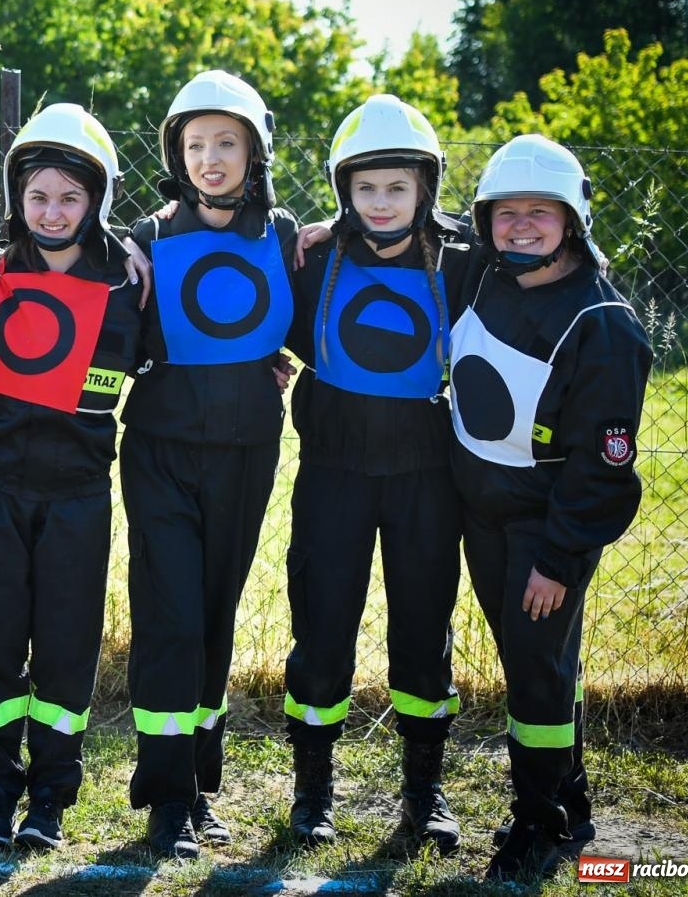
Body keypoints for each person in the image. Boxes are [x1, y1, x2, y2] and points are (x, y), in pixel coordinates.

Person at [448, 135, 650, 882]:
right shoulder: (481, 274)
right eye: (507, 212)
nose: (522, 225)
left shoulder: (603, 324)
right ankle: (568, 803)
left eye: (541, 211)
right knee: (531, 665)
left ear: (573, 219)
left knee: (535, 675)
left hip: (543, 531)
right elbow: (413, 224)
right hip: (482, 516)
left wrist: (559, 559)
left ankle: (535, 827)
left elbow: (604, 465)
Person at [280, 94, 477, 852]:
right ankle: (313, 791)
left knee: (424, 633)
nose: (383, 203)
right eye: (366, 189)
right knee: (322, 629)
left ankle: (424, 796)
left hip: (430, 477)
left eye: (398, 187)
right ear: (343, 191)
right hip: (333, 474)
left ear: (426, 186)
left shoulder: (465, 261)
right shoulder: (316, 259)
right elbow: (266, 323)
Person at [0, 104, 143, 852]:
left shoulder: (131, 279)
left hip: (78, 493)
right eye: (38, 197)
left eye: (70, 197)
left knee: (66, 646)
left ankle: (50, 801)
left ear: (96, 199)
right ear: (15, 200)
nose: (53, 211)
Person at [120, 69, 299, 859]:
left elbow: (323, 314)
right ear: (177, 154)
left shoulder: (287, 233)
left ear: (255, 150)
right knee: (170, 616)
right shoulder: (146, 239)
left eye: (226, 142)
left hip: (247, 451)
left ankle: (201, 785)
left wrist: (283, 356)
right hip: (159, 450)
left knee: (216, 614)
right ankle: (165, 797)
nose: (210, 158)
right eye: (195, 144)